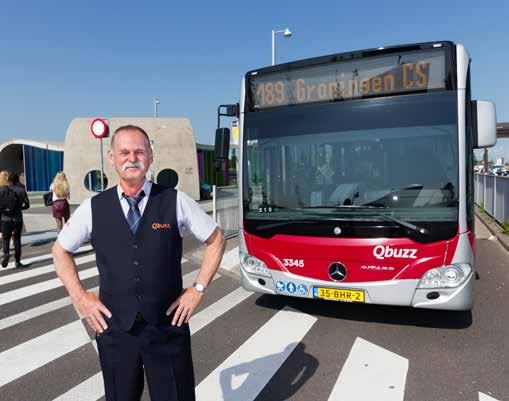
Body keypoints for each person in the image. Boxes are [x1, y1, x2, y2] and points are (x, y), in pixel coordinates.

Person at [52, 125, 226, 401]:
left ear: (150, 157)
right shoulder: (93, 208)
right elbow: (59, 251)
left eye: (139, 152)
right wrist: (81, 297)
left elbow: (216, 240)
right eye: (124, 152)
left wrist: (198, 289)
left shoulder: (175, 200)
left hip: (167, 327)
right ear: (111, 157)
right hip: (116, 332)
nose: (131, 158)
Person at [1, 172, 30, 268]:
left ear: (9, 180)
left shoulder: (3, 190)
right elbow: (27, 205)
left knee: (6, 239)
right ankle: (17, 262)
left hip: (5, 219)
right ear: (17, 180)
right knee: (17, 239)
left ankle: (6, 254)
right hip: (17, 219)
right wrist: (18, 208)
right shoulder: (21, 191)